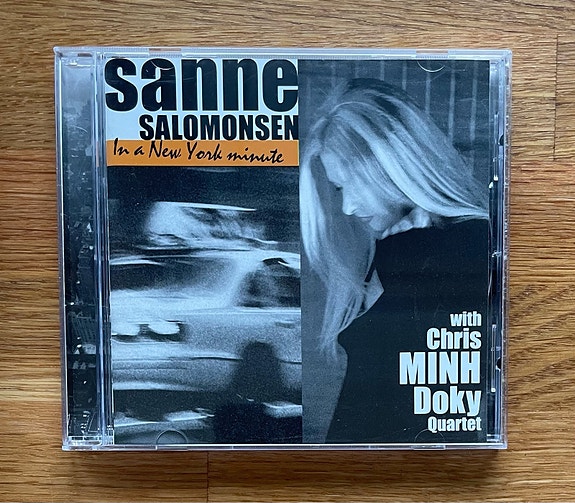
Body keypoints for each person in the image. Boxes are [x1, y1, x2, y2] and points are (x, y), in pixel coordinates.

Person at [300, 78, 490, 443]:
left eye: (353, 183)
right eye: (338, 188)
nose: (347, 206)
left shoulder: (468, 247)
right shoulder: (394, 247)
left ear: (392, 165)